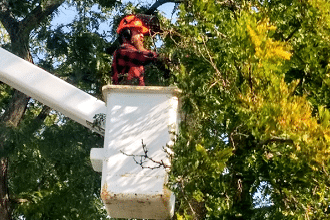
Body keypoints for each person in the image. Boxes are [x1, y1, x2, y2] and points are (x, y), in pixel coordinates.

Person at [112, 15, 159, 86]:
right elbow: (144, 56)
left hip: (136, 94)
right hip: (125, 95)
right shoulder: (122, 51)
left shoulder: (137, 59)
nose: (142, 35)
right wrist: (160, 57)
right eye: (138, 32)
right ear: (127, 33)